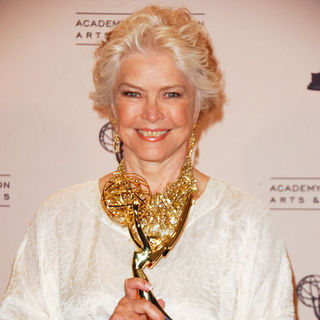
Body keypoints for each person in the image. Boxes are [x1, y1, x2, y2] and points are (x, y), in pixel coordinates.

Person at [0, 6, 295, 320]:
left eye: (171, 94)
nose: (151, 113)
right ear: (112, 105)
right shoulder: (60, 219)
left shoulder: (245, 223)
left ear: (197, 105)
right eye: (133, 94)